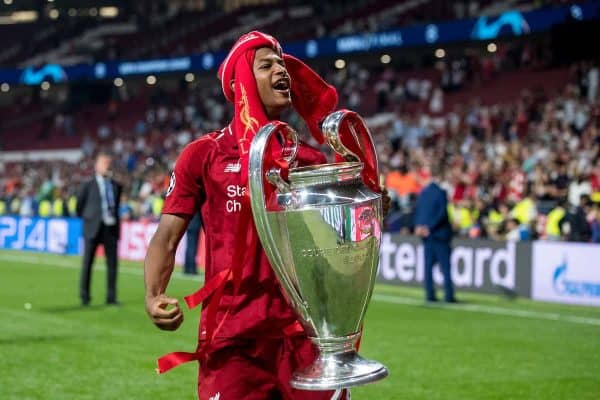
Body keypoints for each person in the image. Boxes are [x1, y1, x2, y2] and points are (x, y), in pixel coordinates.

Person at [144, 31, 357, 400]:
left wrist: (364, 213)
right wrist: (153, 295)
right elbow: (166, 236)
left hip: (304, 335)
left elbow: (336, 246)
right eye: (266, 64)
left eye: (281, 61)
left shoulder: (309, 160)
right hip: (233, 339)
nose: (282, 69)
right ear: (242, 79)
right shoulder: (203, 154)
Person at [76, 151, 122, 306]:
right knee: (88, 263)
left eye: (109, 163)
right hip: (93, 228)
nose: (107, 166)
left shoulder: (116, 185)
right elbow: (79, 206)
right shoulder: (87, 185)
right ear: (96, 166)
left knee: (113, 264)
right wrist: (89, 218)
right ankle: (85, 296)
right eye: (104, 163)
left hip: (110, 228)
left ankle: (111, 297)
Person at [414, 164, 456, 303]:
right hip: (439, 235)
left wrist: (420, 226)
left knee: (428, 266)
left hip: (426, 236)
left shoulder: (424, 192)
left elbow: (418, 211)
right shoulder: (441, 192)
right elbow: (442, 214)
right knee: (445, 267)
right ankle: (448, 295)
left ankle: (430, 294)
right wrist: (430, 227)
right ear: (440, 176)